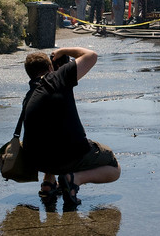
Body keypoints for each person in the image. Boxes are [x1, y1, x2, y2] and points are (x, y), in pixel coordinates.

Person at [23, 47, 121, 207]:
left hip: (36, 160)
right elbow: (91, 55)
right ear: (50, 67)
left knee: (50, 133)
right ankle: (75, 180)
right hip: (70, 155)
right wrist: (62, 51)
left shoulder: (30, 94)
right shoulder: (57, 78)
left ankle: (48, 185)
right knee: (114, 168)